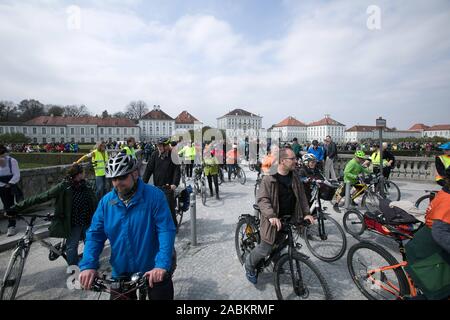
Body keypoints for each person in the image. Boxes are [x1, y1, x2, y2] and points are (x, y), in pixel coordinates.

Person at [78, 153, 176, 300]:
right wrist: (88, 265)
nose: (118, 183)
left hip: (153, 265)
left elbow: (166, 230)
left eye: (122, 177)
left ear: (135, 174)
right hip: (121, 269)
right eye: (114, 179)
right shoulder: (106, 202)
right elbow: (95, 235)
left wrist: (161, 265)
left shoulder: (155, 196)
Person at [244, 148, 314, 284]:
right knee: (265, 248)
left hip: (287, 218)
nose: (296, 161)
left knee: (281, 241)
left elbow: (301, 197)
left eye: (295, 158)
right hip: (272, 220)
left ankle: (277, 260)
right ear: (282, 161)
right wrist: (271, 215)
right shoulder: (269, 178)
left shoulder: (294, 176)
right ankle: (249, 266)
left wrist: (306, 213)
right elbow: (263, 199)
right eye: (292, 159)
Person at [9, 164, 97, 265]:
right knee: (72, 246)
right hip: (74, 223)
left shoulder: (86, 185)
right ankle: (73, 268)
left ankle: (90, 264)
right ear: (78, 174)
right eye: (83, 173)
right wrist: (16, 208)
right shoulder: (64, 186)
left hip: (88, 220)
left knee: (91, 243)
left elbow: (95, 202)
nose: (84, 175)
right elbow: (42, 197)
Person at [405, 167, 450, 300]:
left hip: (433, 241)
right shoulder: (448, 201)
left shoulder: (446, 192)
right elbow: (440, 232)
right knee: (439, 292)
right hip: (428, 249)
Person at [142, 137, 180, 225]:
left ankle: (174, 225)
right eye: (158, 145)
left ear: (166, 146)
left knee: (169, 207)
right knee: (153, 207)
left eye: (161, 145)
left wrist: (174, 184)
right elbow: (148, 170)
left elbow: (177, 171)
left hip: (168, 186)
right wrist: (142, 184)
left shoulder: (173, 155)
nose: (159, 147)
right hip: (157, 186)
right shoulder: (155, 155)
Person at [0, 145, 21, 236]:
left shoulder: (11, 161)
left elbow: (17, 174)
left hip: (7, 187)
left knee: (9, 207)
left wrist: (10, 183)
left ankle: (11, 226)